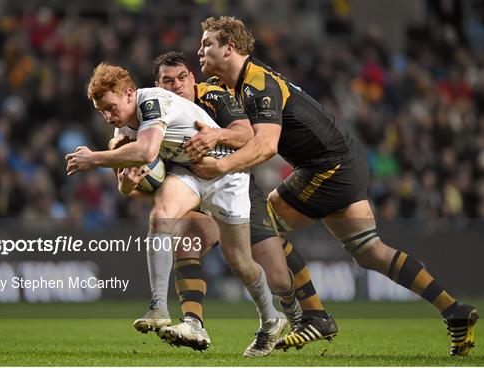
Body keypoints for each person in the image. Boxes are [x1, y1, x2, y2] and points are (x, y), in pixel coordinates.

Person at [189, 16, 478, 356]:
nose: (200, 50)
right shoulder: (238, 85)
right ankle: (453, 310)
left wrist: (220, 166)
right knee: (371, 252)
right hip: (343, 162)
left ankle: (314, 315)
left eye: (207, 43)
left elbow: (265, 146)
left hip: (330, 168)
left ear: (230, 47)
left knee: (263, 226)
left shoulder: (257, 82)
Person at [113, 51, 337, 352]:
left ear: (192, 77)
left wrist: (214, 137)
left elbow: (246, 135)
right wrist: (130, 185)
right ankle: (193, 323)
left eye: (182, 78)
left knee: (275, 275)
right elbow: (136, 185)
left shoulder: (213, 96)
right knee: (183, 239)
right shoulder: (147, 117)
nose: (177, 86)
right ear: (157, 85)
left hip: (234, 185)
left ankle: (293, 315)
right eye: (168, 81)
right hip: (191, 188)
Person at [65, 63, 286, 357]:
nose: (107, 116)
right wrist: (128, 182)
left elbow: (146, 153)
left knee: (240, 261)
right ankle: (158, 307)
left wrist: (93, 159)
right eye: (101, 111)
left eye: (110, 107)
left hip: (226, 175)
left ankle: (272, 319)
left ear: (129, 93)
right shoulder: (121, 132)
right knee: (161, 216)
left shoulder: (152, 101)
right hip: (190, 172)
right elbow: (124, 188)